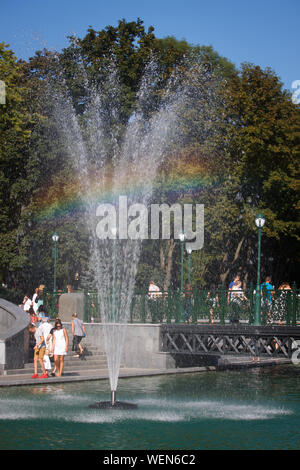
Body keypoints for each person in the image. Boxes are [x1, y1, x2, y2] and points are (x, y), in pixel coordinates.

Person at [31, 315, 48, 379]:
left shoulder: (39, 330)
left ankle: (44, 373)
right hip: (37, 346)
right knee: (35, 359)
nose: (30, 331)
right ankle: (35, 373)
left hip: (42, 346)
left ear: (32, 328)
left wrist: (37, 345)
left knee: (40, 359)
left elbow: (42, 339)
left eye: (30, 330)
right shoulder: (35, 332)